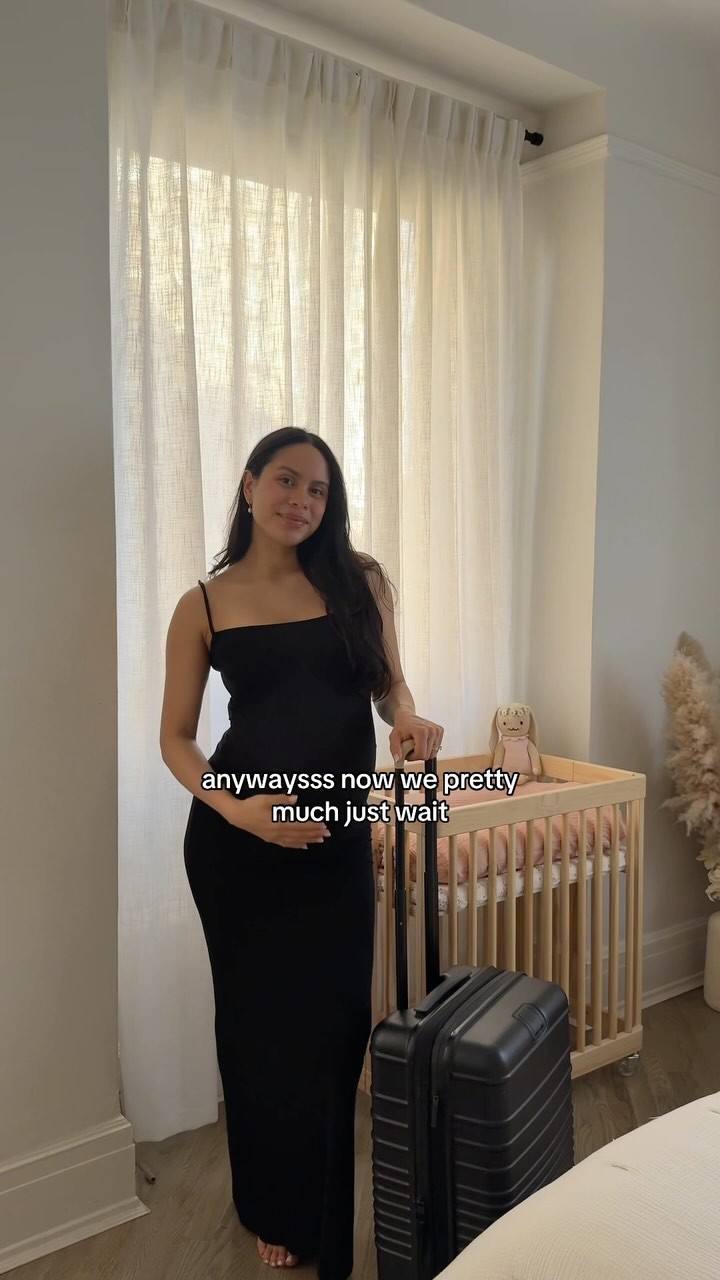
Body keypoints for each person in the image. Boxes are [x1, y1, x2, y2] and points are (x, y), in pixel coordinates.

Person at [159, 426, 444, 1279]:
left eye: (318, 490)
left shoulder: (358, 580)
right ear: (249, 486)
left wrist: (406, 717)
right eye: (286, 481)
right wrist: (239, 813)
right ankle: (272, 1207)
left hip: (336, 838)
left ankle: (317, 1204)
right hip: (237, 848)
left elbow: (389, 684)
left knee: (334, 1030)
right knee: (257, 1034)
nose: (302, 501)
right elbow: (176, 740)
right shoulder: (205, 605)